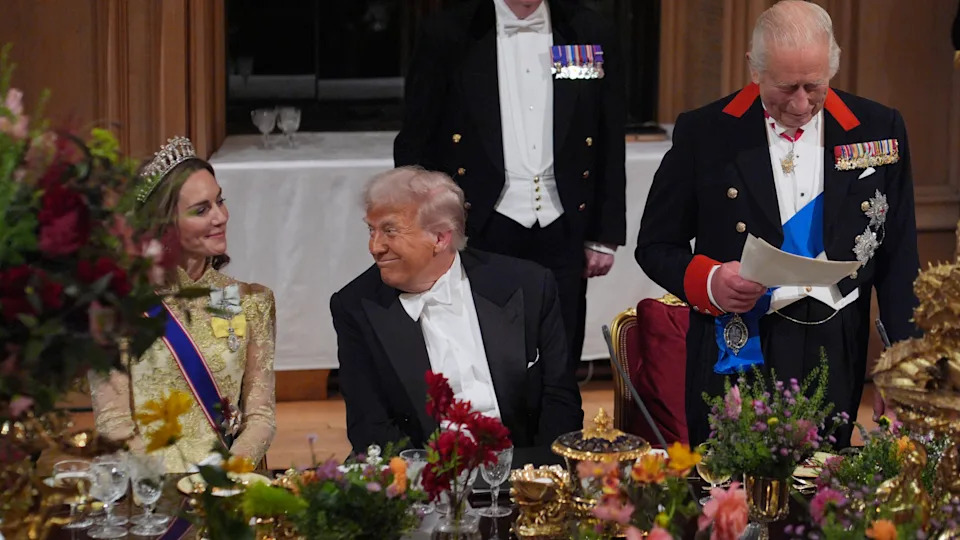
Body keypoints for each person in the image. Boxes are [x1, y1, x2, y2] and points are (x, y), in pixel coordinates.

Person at [635, 0, 919, 447]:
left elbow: (900, 256)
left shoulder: (878, 129)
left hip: (836, 346)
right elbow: (654, 244)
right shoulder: (706, 133)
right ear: (755, 69)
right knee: (730, 499)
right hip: (737, 345)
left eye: (815, 85)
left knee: (822, 499)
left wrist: (902, 362)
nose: (802, 103)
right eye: (787, 87)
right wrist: (710, 282)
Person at [394, 0, 626, 375]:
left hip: (562, 224)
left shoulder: (586, 29)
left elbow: (608, 134)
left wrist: (603, 233)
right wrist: (423, 229)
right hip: (478, 224)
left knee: (559, 361)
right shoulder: (449, 33)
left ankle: (556, 435)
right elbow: (415, 139)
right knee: (481, 360)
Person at [331, 167, 583, 464]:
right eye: (371, 230)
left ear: (440, 237)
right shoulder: (356, 306)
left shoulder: (527, 285)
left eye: (390, 231)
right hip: (422, 479)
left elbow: (560, 400)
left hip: (521, 472)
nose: (375, 247)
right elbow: (369, 425)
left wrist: (537, 477)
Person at [90, 136, 277, 472]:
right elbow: (113, 424)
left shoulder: (249, 301)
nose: (221, 217)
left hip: (228, 491)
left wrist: (227, 475)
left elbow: (261, 416)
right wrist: (168, 487)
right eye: (201, 210)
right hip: (153, 498)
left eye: (220, 201)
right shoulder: (115, 310)